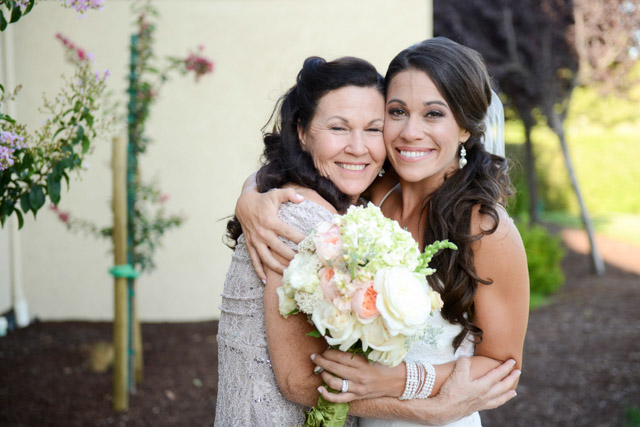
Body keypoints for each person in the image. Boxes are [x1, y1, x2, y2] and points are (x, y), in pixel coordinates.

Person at [233, 37, 529, 427]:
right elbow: (303, 170)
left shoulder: (486, 229)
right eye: (397, 111)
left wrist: (398, 380)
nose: (410, 132)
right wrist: (251, 197)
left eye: (434, 114)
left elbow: (502, 367)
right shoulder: (371, 192)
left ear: (464, 128)